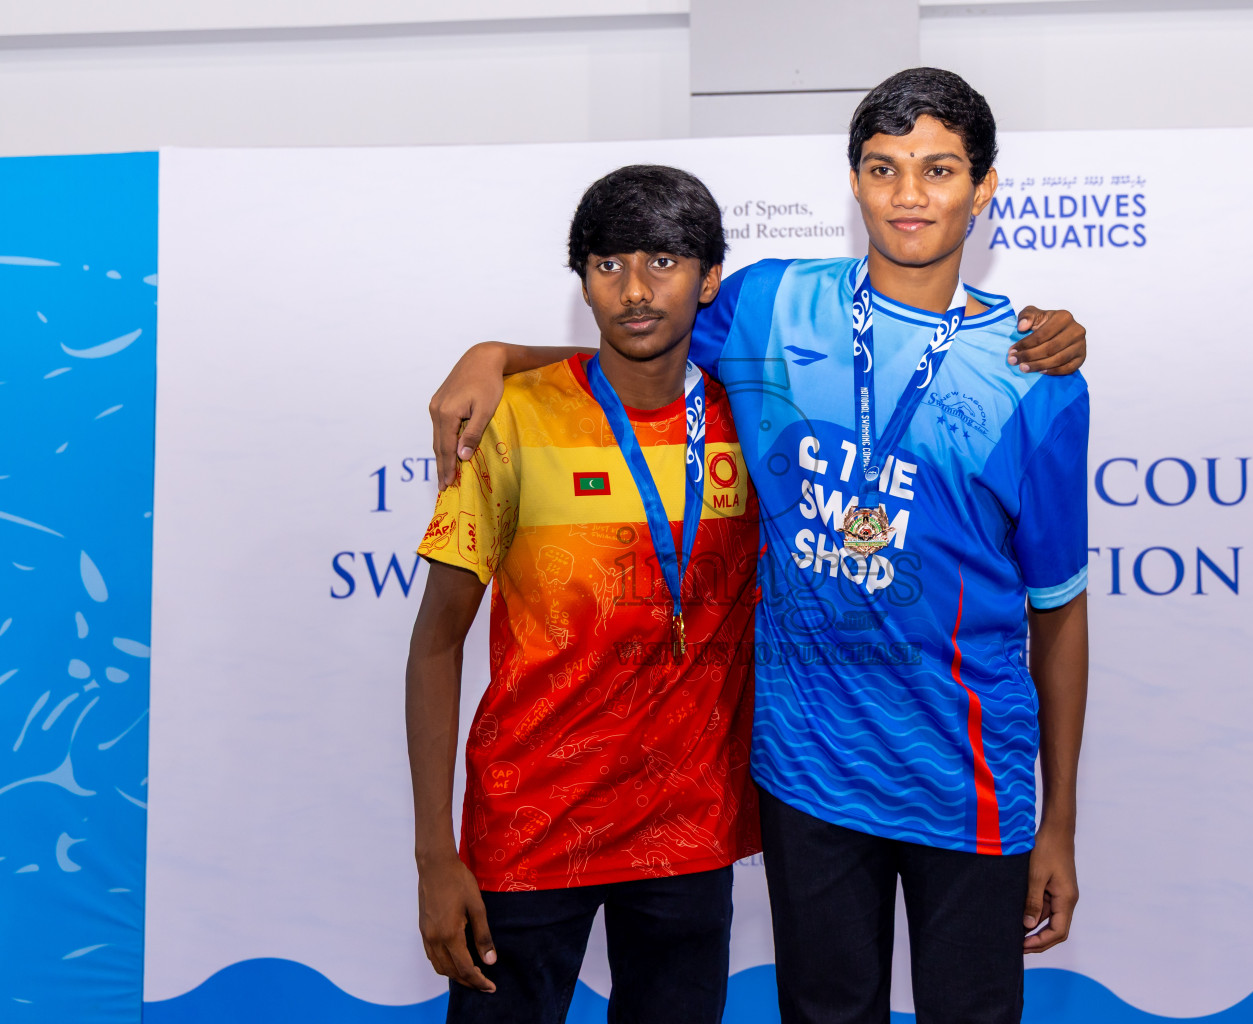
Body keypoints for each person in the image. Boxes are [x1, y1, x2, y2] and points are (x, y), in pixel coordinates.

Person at [428, 67, 1089, 1024]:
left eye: (939, 169)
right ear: (853, 182)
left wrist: (1057, 822)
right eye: (884, 167)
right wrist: (494, 354)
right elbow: (639, 335)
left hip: (969, 782)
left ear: (985, 190)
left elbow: (1058, 612)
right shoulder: (773, 304)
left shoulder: (1039, 373)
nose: (910, 193)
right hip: (807, 778)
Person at [405, 164, 761, 1024]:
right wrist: (434, 857)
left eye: (665, 263)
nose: (635, 291)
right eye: (608, 266)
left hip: (689, 827)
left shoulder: (754, 417)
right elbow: (437, 641)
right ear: (584, 282)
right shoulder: (513, 417)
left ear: (709, 278)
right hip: (528, 826)